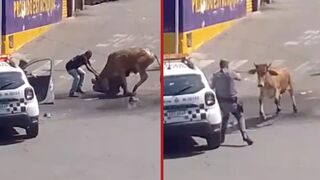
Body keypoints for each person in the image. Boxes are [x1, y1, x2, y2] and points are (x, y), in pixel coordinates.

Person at [211, 59, 253, 145]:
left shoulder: (216, 75)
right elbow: (239, 78)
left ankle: (222, 137)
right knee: (240, 116)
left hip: (222, 103)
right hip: (232, 102)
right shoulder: (231, 73)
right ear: (227, 65)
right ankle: (244, 135)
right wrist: (236, 73)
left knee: (225, 118)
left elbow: (212, 86)